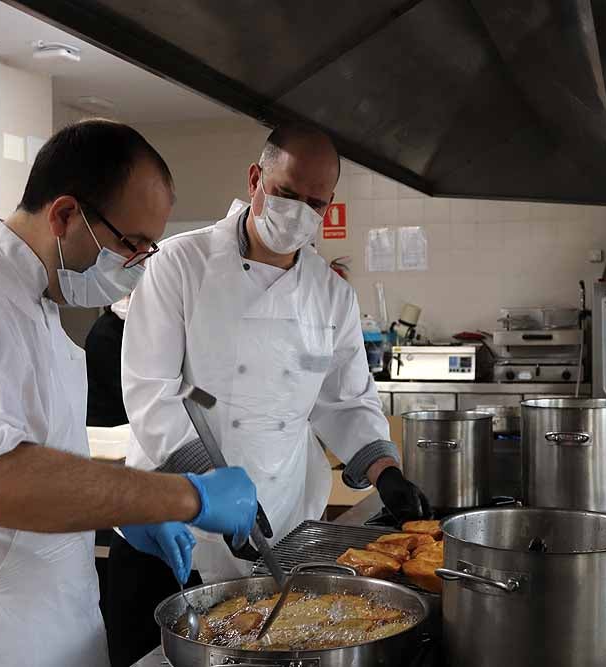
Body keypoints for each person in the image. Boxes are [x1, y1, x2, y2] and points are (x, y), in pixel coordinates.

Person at [0, 119, 258, 667]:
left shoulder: (32, 300)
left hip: (50, 621)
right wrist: (185, 497)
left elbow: (38, 451)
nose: (135, 266)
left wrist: (114, 513)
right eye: (129, 244)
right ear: (65, 215)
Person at [106, 123, 432, 665]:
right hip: (170, 527)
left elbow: (345, 399)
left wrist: (384, 472)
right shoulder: (179, 265)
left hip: (279, 534)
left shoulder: (330, 295)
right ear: (256, 178)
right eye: (286, 193)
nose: (298, 213)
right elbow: (152, 391)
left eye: (315, 203)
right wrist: (210, 487)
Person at [86, 295, 131, 427]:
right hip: (106, 424)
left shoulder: (128, 328)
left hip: (124, 418)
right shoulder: (106, 332)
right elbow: (123, 390)